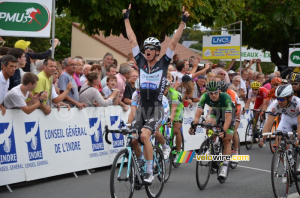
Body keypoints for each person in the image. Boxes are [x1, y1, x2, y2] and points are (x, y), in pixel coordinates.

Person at [123, 4, 189, 183]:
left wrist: (182, 23)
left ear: (157, 51)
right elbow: (132, 40)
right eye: (146, 48)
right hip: (142, 108)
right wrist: (126, 19)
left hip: (156, 108)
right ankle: (140, 164)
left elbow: (173, 42)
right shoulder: (141, 62)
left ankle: (150, 171)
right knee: (134, 140)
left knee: (145, 136)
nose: (148, 50)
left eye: (152, 48)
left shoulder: (163, 63)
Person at [189, 81, 234, 180]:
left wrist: (224, 130)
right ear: (208, 92)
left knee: (226, 140)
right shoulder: (204, 96)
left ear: (219, 91)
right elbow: (198, 113)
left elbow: (228, 118)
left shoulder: (226, 98)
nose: (213, 95)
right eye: (211, 93)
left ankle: (224, 167)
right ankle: (212, 145)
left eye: (215, 93)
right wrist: (194, 126)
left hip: (228, 114)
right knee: (208, 123)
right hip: (216, 111)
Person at [128, 80, 171, 159]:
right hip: (145, 111)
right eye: (138, 91)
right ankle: (140, 160)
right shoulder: (135, 94)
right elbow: (133, 111)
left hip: (161, 110)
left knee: (154, 130)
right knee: (134, 139)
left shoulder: (156, 96)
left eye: (141, 91)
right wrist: (130, 124)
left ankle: (165, 146)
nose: (139, 94)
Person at [259, 84, 300, 155]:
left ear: (290, 98)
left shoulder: (298, 103)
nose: (279, 102)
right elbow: (269, 123)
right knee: (278, 139)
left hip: (298, 118)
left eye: (281, 99)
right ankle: (286, 162)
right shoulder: (275, 105)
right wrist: (264, 137)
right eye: (277, 98)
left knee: (297, 140)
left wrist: (298, 138)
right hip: (286, 118)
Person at [164, 79, 184, 162]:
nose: (163, 90)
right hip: (166, 107)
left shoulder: (174, 94)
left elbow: (174, 109)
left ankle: (179, 153)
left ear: (168, 87)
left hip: (177, 109)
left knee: (176, 130)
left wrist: (170, 120)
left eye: (165, 88)